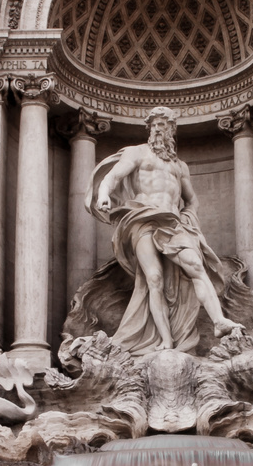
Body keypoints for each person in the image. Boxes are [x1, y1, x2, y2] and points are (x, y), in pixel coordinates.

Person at [90, 106, 242, 354]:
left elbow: (191, 199)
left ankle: (218, 321)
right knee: (154, 279)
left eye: (165, 124)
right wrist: (104, 194)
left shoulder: (180, 166)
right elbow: (114, 176)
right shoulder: (137, 153)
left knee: (195, 265)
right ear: (149, 129)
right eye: (155, 125)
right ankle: (166, 341)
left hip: (172, 223)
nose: (159, 129)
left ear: (173, 130)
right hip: (142, 219)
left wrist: (188, 218)